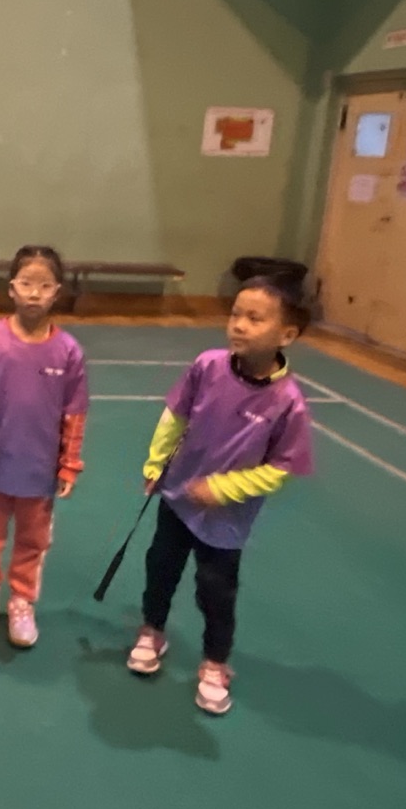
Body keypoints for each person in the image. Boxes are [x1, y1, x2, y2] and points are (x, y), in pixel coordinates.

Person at [126, 276, 315, 716]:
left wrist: (224, 488)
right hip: (178, 498)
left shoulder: (288, 402)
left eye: (255, 318)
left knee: (216, 591)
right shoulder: (207, 366)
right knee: (160, 568)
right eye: (235, 314)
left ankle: (215, 663)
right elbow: (175, 416)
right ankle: (152, 630)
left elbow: (280, 469)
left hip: (227, 520)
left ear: (287, 334)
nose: (239, 325)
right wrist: (155, 465)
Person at [0, 245, 88, 648]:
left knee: (33, 542)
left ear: (57, 292)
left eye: (44, 286)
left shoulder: (68, 352)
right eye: (26, 283)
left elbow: (74, 413)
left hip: (39, 471)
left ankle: (22, 602)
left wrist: (69, 463)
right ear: (11, 288)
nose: (34, 293)